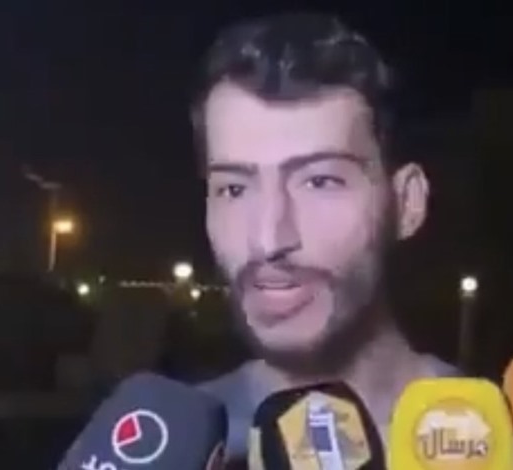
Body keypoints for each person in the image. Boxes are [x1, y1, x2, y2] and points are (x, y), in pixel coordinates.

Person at [192, 12, 460, 462]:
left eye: (320, 182)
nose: (267, 240)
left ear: (407, 204)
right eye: (234, 189)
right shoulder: (170, 448)